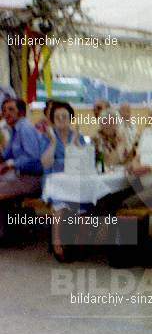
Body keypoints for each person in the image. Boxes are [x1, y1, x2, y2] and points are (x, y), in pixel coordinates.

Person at [40, 101, 86, 261]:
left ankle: (78, 243)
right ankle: (57, 243)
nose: (61, 119)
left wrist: (75, 145)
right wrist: (53, 142)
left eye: (64, 116)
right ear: (52, 119)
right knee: (60, 205)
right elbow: (46, 163)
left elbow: (84, 162)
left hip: (73, 180)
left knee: (83, 202)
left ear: (70, 118)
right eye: (57, 117)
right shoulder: (48, 136)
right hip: (54, 181)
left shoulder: (77, 136)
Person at [0, 98, 43, 239]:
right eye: (4, 110)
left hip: (33, 179)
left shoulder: (25, 128)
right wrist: (6, 161)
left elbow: (33, 157)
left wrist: (10, 164)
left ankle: (5, 230)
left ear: (22, 112)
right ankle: (8, 229)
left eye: (11, 109)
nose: (6, 113)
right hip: (21, 176)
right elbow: (6, 155)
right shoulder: (14, 129)